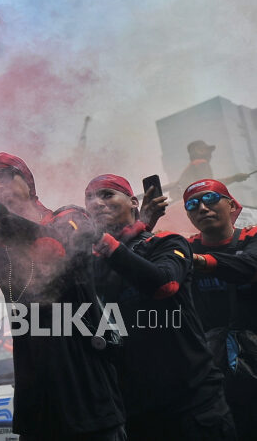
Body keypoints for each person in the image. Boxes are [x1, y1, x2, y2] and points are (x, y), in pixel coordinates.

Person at [0, 154, 125, 441]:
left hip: (87, 396)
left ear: (27, 181)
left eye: (4, 175)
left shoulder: (71, 217)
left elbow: (52, 246)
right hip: (37, 407)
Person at [85, 174, 235, 440]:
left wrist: (107, 241)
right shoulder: (93, 263)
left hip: (194, 402)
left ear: (133, 202)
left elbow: (164, 284)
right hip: (136, 409)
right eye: (90, 199)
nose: (97, 203)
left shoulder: (167, 243)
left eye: (107, 195)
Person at [183, 179, 257, 438]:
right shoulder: (185, 246)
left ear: (232, 204)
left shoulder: (253, 237)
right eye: (192, 204)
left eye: (211, 199)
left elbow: (249, 266)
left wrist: (198, 262)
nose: (202, 208)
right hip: (211, 369)